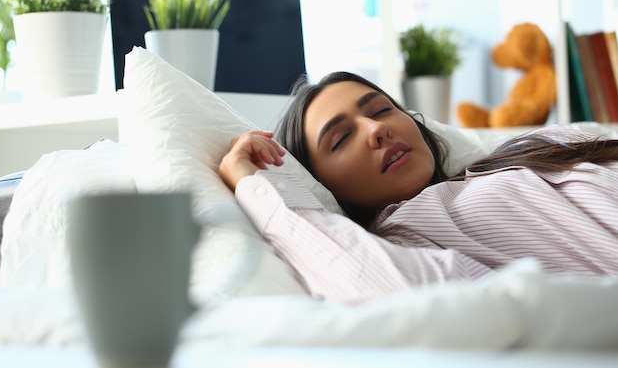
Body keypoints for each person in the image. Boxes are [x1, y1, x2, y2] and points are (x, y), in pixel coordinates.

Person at [219, 71, 618, 304]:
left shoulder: (540, 144)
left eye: (380, 110)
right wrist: (254, 182)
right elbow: (378, 284)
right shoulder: (405, 236)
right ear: (321, 183)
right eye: (340, 139)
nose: (377, 129)